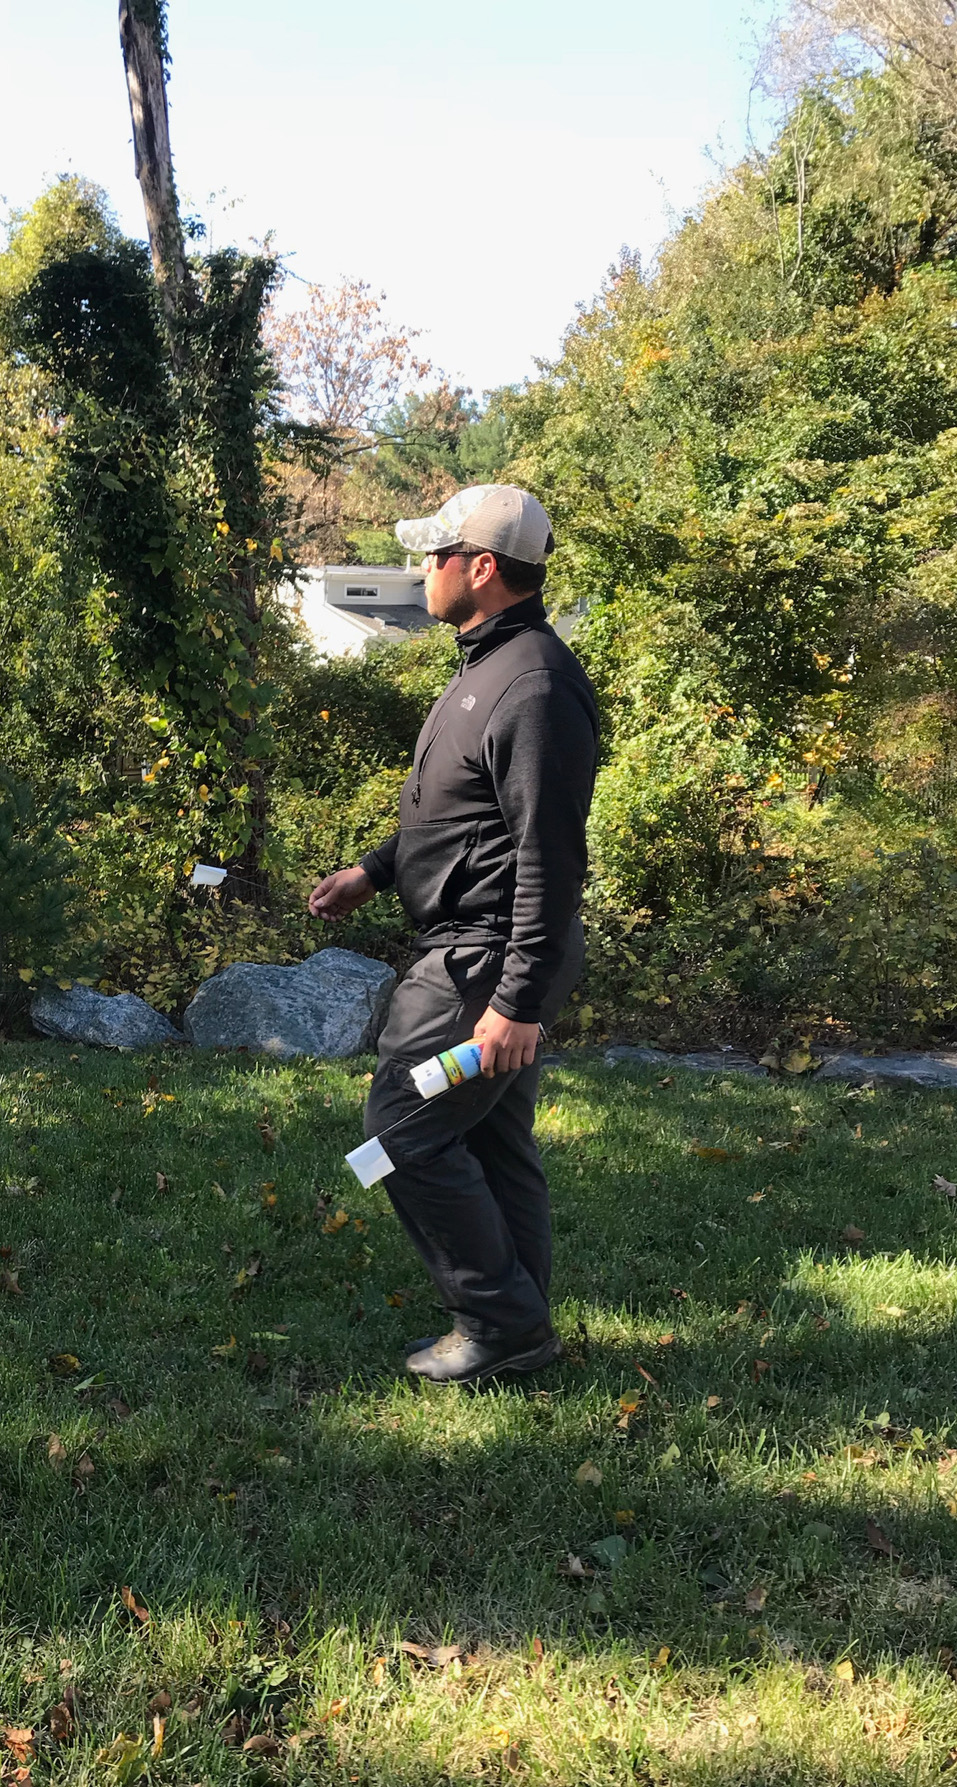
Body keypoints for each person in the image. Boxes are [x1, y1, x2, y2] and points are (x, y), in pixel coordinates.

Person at [308, 484, 599, 1386]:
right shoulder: (485, 669)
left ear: (481, 567)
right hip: (473, 953)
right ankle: (522, 1324)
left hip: (482, 964)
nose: (420, 570)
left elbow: (549, 858)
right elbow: (461, 816)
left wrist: (515, 1002)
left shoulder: (535, 687)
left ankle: (500, 1322)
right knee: (491, 1139)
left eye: (434, 555)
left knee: (400, 1130)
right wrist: (376, 870)